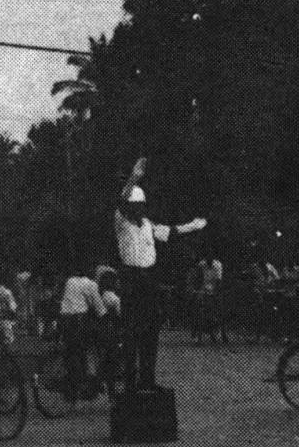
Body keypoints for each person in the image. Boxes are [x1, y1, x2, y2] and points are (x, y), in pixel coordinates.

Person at [114, 157, 207, 390]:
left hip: (148, 279)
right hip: (130, 278)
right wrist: (135, 177)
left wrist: (193, 226)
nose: (138, 210)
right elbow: (122, 199)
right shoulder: (121, 222)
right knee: (131, 331)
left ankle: (148, 379)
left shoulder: (147, 225)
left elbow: (171, 231)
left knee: (150, 330)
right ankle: (130, 382)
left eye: (140, 206)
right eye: (135, 206)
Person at [58, 262, 108, 398]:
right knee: (90, 348)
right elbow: (99, 309)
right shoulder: (91, 285)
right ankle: (89, 381)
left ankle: (73, 382)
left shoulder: (70, 281)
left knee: (71, 350)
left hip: (64, 320)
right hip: (78, 321)